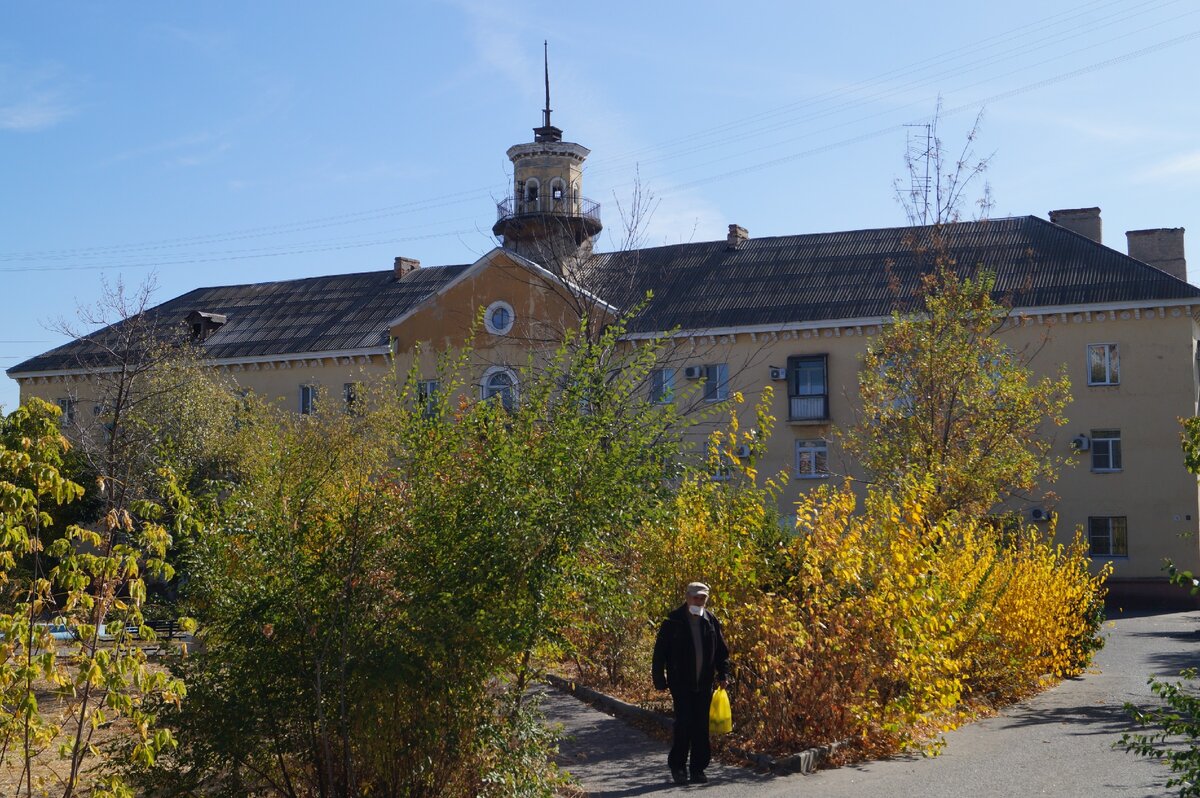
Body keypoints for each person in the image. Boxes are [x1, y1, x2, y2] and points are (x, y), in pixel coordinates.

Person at [651, 581, 730, 785]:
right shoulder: (673, 621)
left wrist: (723, 674)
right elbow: (660, 653)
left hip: (704, 683)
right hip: (681, 683)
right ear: (687, 597)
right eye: (696, 597)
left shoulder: (711, 620)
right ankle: (678, 767)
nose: (699, 601)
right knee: (684, 724)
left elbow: (721, 652)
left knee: (701, 727)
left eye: (702, 597)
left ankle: (698, 769)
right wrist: (659, 679)